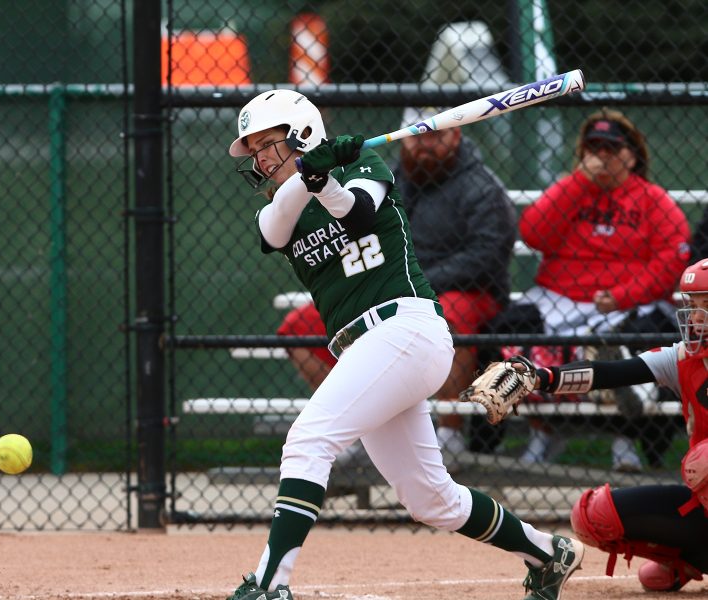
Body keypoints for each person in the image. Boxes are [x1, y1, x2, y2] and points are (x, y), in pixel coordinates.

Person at [226, 88, 583, 600]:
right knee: (431, 499)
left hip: (405, 329)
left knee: (308, 441)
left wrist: (325, 178)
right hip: (365, 349)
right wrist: (311, 177)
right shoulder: (275, 208)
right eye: (254, 149)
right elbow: (279, 223)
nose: (259, 158)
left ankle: (269, 583)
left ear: (300, 133)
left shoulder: (366, 163)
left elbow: (358, 214)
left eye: (267, 144)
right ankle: (549, 553)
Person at [276, 106, 516, 458]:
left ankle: (449, 432)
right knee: (298, 327)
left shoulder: (480, 186)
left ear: (456, 137)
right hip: (387, 290)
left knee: (453, 313)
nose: (424, 146)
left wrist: (420, 282)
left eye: (436, 136)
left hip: (465, 291)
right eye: (417, 138)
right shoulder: (383, 176)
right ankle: (357, 427)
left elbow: (488, 254)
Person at [485, 258, 708, 592]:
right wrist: (541, 378)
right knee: (595, 517)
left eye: (705, 305)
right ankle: (690, 558)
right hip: (702, 499)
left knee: (704, 460)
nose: (694, 317)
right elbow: (608, 373)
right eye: (692, 305)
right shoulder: (682, 358)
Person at [515, 108, 690, 471]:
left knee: (635, 343)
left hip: (625, 304)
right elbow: (533, 233)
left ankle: (623, 441)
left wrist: (624, 295)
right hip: (559, 299)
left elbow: (671, 262)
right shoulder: (571, 189)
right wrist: (578, 181)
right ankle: (543, 431)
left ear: (631, 154)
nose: (603, 155)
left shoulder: (651, 199)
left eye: (612, 147)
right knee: (510, 323)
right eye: (594, 147)